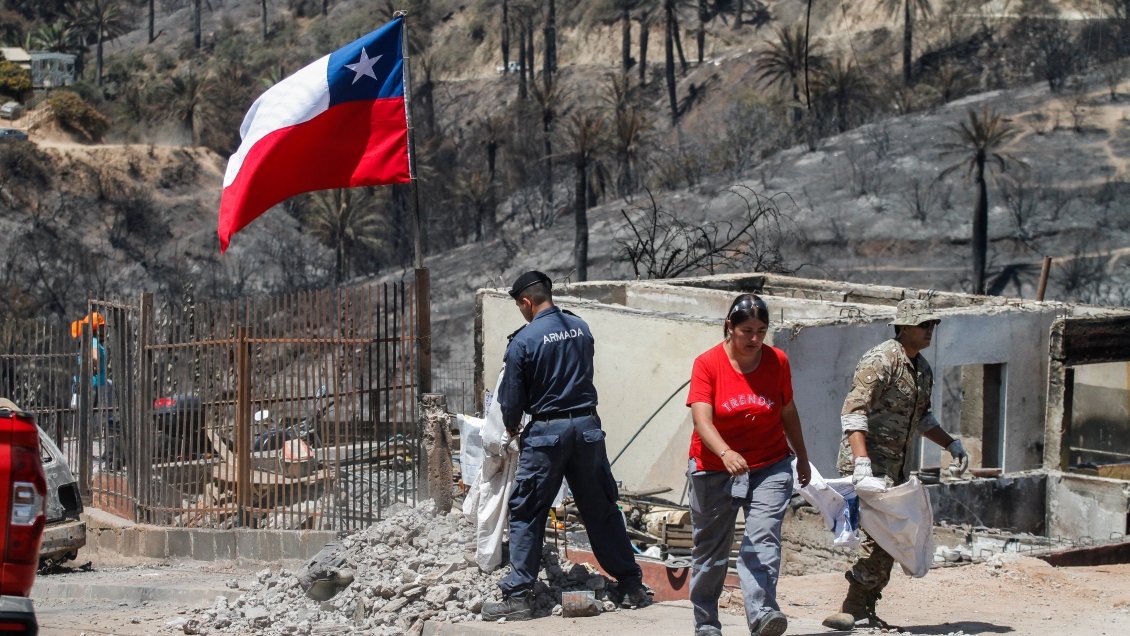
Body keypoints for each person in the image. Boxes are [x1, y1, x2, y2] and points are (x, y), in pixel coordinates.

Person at [481, 270, 649, 621]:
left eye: (520, 307)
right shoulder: (581, 328)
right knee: (601, 508)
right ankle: (632, 585)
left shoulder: (524, 341)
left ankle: (520, 596)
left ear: (526, 302)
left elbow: (512, 400)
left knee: (527, 511)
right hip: (587, 429)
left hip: (547, 435)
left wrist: (511, 428)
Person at [822, 299, 969, 631]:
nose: (930, 331)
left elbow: (922, 418)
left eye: (932, 325)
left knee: (892, 538)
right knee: (885, 538)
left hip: (894, 470)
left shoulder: (922, 370)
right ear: (904, 326)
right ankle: (854, 605)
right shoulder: (881, 360)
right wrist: (860, 463)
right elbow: (853, 411)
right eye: (924, 325)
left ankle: (861, 606)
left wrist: (951, 444)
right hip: (866, 466)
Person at [686, 293, 812, 636]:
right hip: (714, 466)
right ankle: (707, 623)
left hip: (769, 464)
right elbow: (702, 420)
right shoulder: (707, 364)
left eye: (761, 330)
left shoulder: (778, 361)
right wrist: (726, 453)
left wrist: (801, 455)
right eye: (747, 331)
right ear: (730, 327)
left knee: (763, 539)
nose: (755, 339)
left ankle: (762, 614)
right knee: (711, 552)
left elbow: (787, 411)